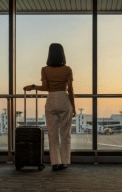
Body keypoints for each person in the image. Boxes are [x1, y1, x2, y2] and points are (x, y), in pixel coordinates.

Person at [24, 43, 76, 171]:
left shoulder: (45, 69)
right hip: (64, 99)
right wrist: (73, 107)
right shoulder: (67, 69)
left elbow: (45, 88)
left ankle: (55, 163)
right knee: (65, 134)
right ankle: (65, 162)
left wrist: (32, 87)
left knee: (52, 134)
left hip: (51, 99)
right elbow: (70, 89)